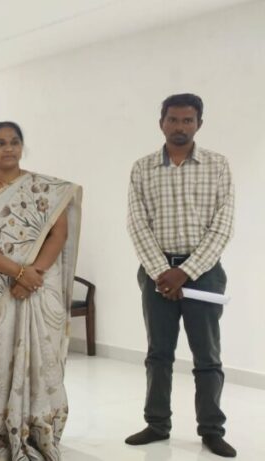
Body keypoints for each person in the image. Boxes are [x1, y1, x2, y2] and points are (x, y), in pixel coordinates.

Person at [0, 121, 81, 460]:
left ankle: (39, 430)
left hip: (38, 288)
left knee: (42, 361)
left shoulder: (45, 188)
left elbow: (58, 234)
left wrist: (33, 275)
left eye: (14, 142)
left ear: (22, 147)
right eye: (0, 143)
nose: (8, 148)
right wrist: (19, 274)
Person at [124, 94, 236, 458]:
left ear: (199, 124)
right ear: (161, 123)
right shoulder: (142, 168)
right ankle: (157, 424)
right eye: (173, 119)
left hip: (204, 274)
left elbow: (222, 226)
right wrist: (163, 272)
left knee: (207, 356)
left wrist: (185, 272)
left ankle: (211, 430)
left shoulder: (217, 165)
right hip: (156, 274)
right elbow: (137, 224)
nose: (180, 127)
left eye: (188, 120)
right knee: (159, 353)